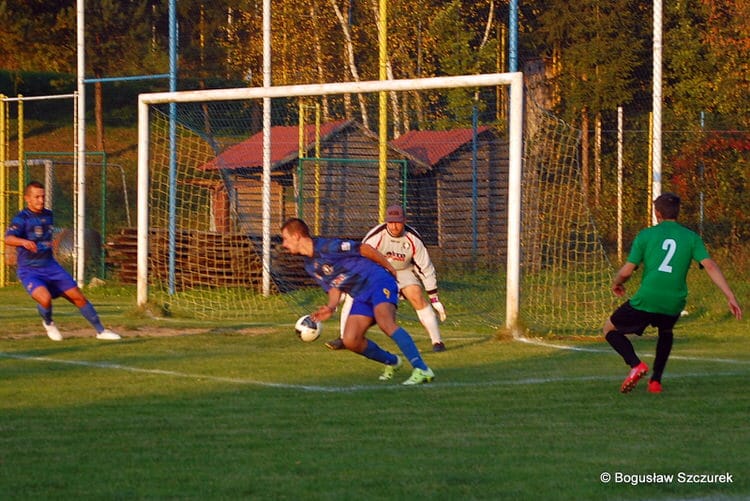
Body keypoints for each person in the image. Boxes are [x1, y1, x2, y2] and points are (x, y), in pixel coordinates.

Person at [604, 192, 741, 393]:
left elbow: (627, 271)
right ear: (677, 212)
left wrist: (617, 283)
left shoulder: (646, 235)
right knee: (665, 331)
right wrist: (730, 295)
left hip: (648, 298)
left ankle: (636, 365)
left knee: (610, 329)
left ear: (657, 213)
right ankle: (655, 382)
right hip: (674, 302)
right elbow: (710, 266)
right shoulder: (691, 237)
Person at [280, 217, 435, 385]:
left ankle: (422, 368)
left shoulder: (327, 246)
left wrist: (389, 267)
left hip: (377, 280)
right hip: (360, 294)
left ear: (296, 236)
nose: (284, 244)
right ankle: (392, 361)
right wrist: (331, 306)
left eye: (285, 239)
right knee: (350, 340)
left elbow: (364, 248)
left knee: (386, 322)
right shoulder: (310, 265)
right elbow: (334, 285)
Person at [4, 181, 121, 341]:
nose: (41, 200)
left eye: (43, 196)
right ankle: (48, 323)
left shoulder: (48, 215)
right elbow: (8, 238)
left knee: (78, 297)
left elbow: (48, 236)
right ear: (27, 199)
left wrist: (54, 243)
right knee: (44, 299)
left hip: (51, 267)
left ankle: (101, 331)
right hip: (30, 270)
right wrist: (23, 242)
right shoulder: (21, 218)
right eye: (36, 197)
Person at [326, 204, 447, 352]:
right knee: (354, 296)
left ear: (404, 221)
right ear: (386, 221)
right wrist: (348, 286)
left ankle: (437, 342)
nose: (395, 226)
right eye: (391, 222)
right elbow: (360, 261)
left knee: (416, 294)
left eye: (398, 222)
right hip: (377, 270)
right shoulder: (376, 237)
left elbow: (425, 267)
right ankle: (344, 338)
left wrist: (434, 297)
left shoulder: (413, 239)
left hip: (402, 270)